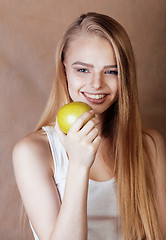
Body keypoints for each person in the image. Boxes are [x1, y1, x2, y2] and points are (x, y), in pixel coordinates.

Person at [12, 12, 166, 240]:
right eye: (83, 69)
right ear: (64, 70)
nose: (96, 84)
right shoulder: (32, 151)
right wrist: (79, 165)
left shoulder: (149, 144)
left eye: (111, 71)